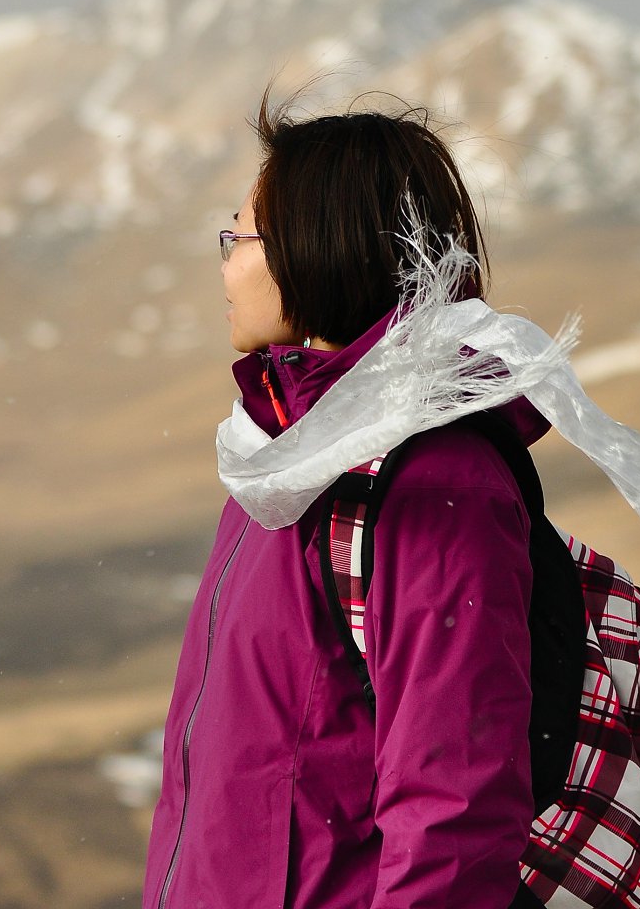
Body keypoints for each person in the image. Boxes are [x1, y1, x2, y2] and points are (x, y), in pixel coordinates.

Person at [141, 96, 545, 909]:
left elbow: (454, 818)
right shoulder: (285, 465)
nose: (226, 263)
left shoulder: (435, 484)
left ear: (319, 246)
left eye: (242, 235)